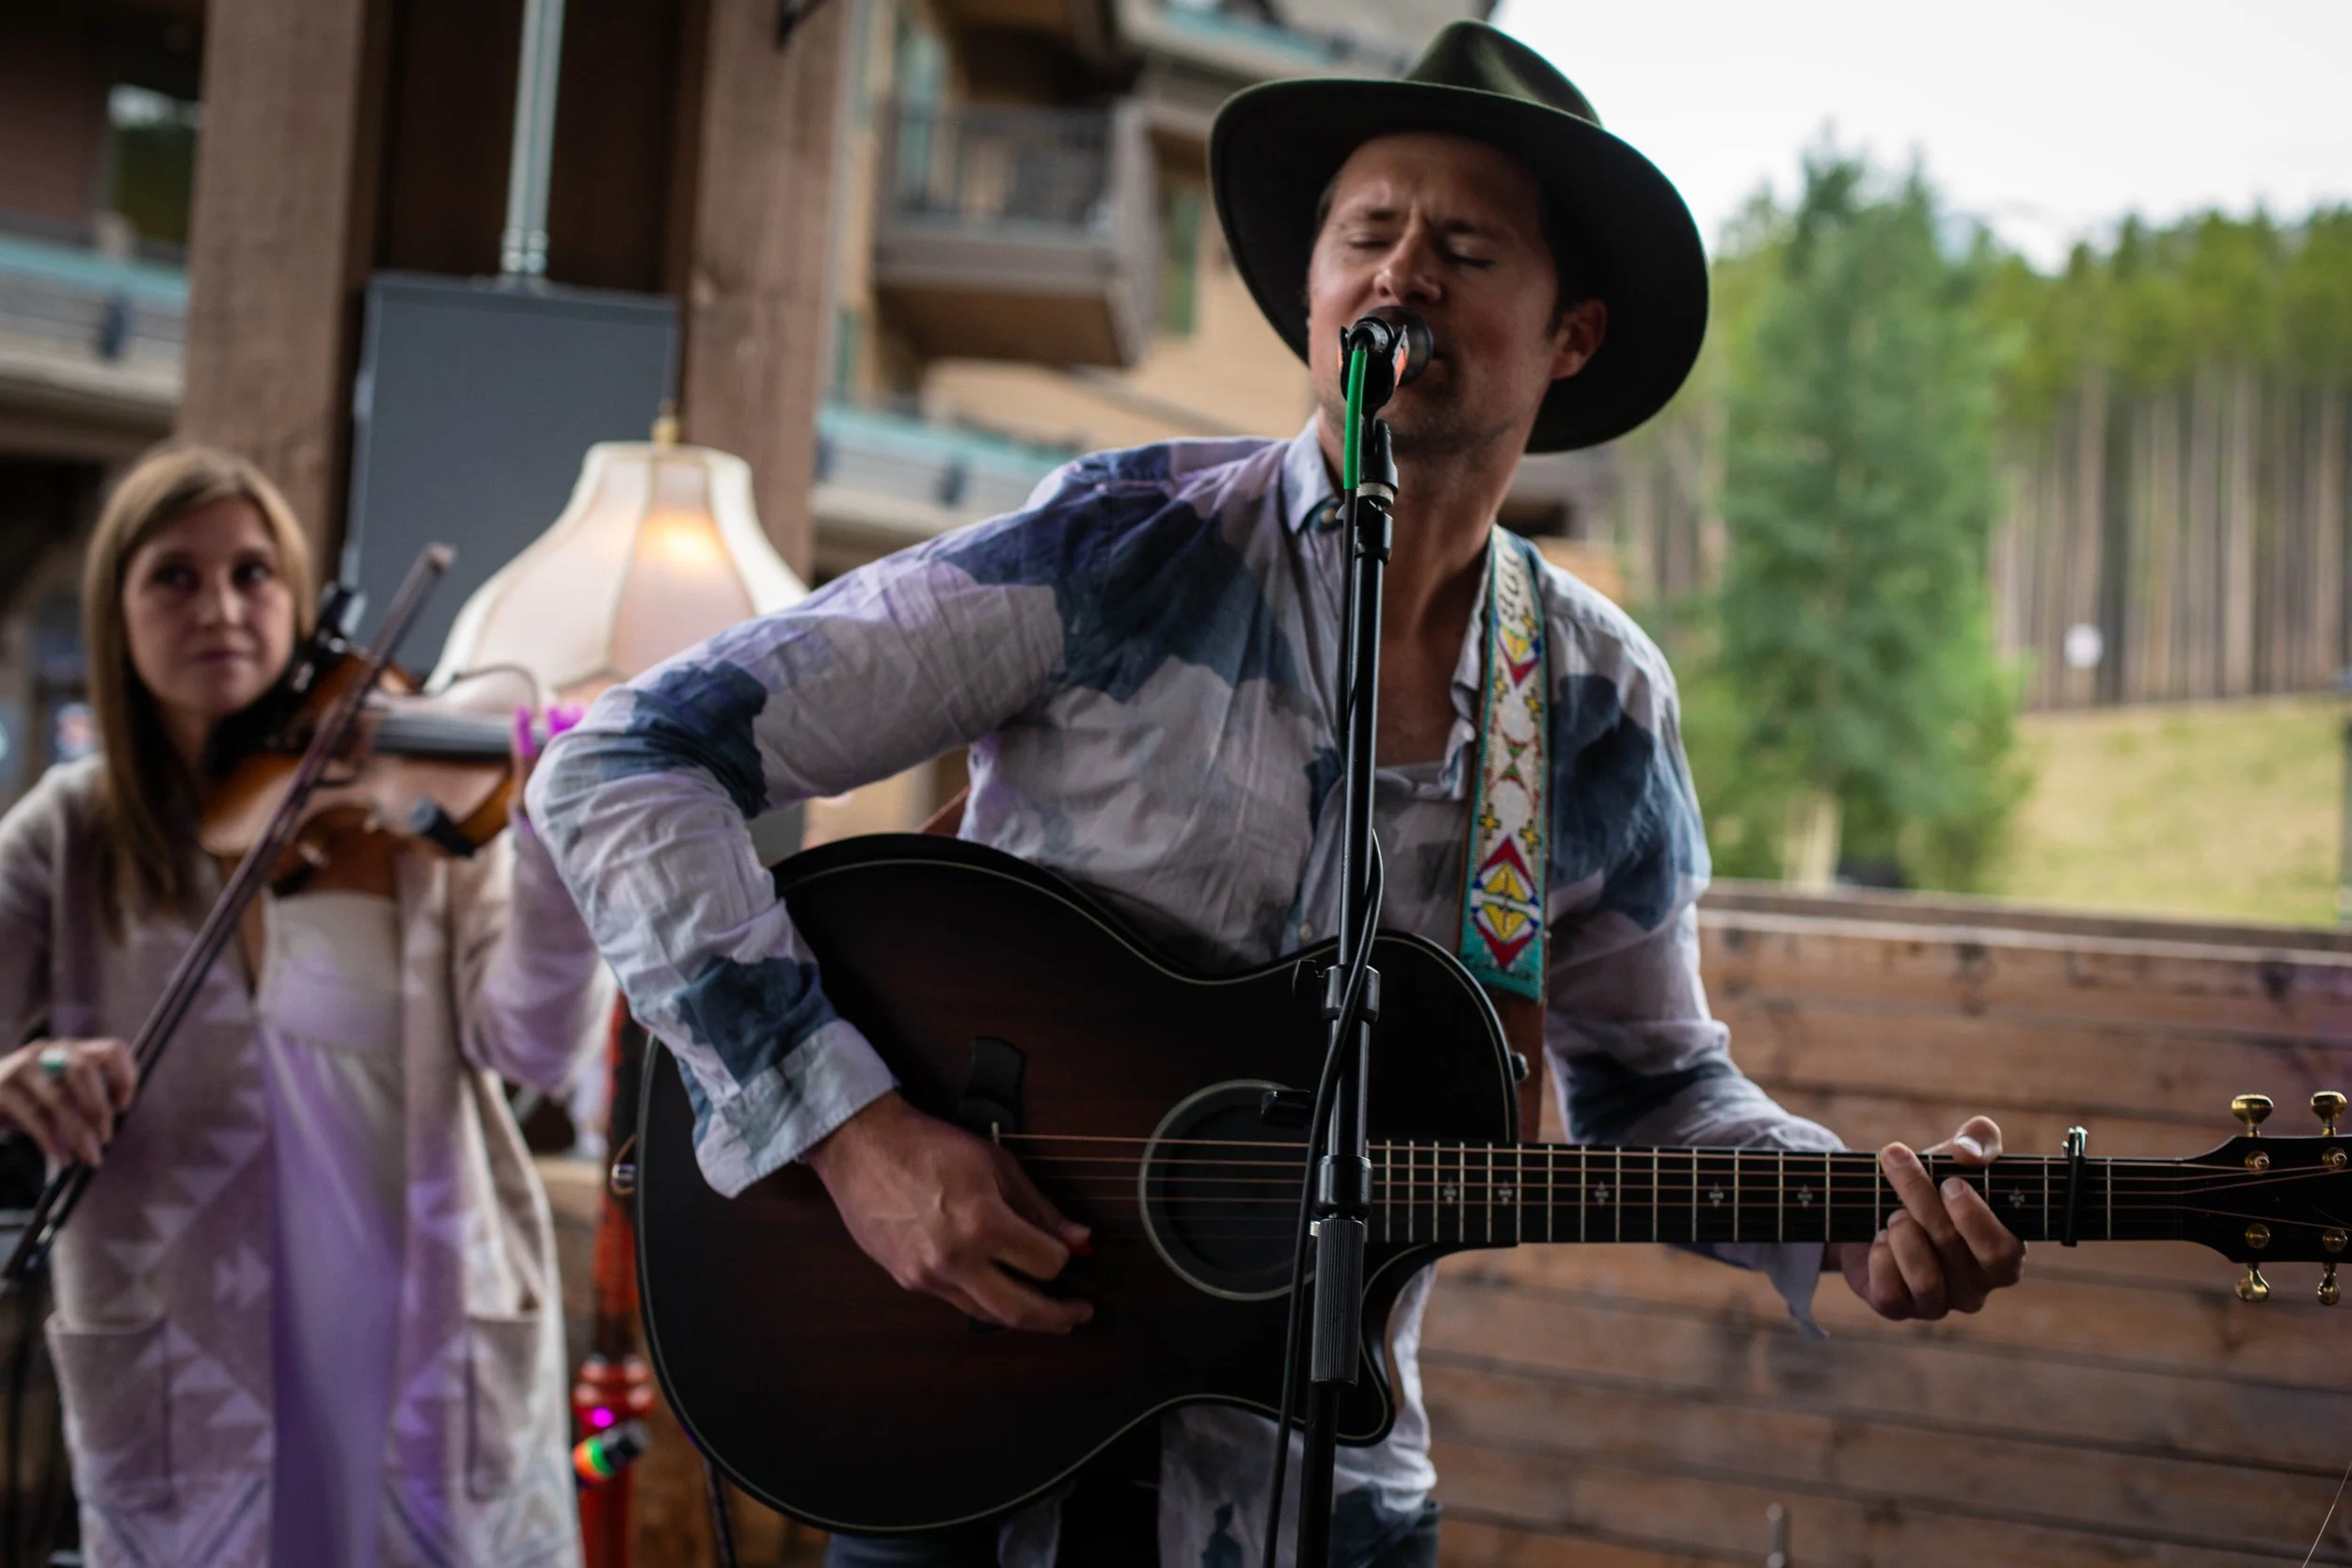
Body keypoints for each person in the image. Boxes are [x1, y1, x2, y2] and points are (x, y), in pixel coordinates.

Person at [529, 21, 2025, 1568]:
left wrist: (1856, 1213)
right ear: (1314, 292)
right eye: (1367, 231)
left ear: (1569, 333)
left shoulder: (1586, 697)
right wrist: (856, 1136)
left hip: (1323, 1505)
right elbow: (622, 763)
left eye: (1464, 244)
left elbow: (1650, 1092)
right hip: (964, 1451)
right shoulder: (1122, 547)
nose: (1401, 274)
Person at [0, 444, 612, 1568]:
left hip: (417, 1317)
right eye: (174, 577)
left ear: (298, 600)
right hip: (191, 1350)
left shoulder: (411, 818)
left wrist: (553, 855)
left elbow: (530, 1041)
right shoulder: (70, 829)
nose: (222, 607)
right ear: (116, 613)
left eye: (253, 573)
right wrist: (21, 1072)